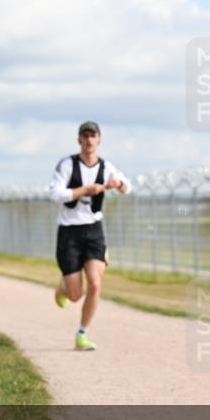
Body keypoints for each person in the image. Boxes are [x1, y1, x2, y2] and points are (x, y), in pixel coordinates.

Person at [48, 121, 131, 351]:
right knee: (75, 295)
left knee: (95, 283)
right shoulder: (67, 165)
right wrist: (85, 190)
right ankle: (64, 288)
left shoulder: (106, 167)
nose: (89, 140)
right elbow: (55, 194)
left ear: (99, 139)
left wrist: (119, 184)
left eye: (93, 135)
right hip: (69, 232)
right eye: (85, 135)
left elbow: (128, 186)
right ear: (79, 140)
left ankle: (82, 334)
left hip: (94, 229)